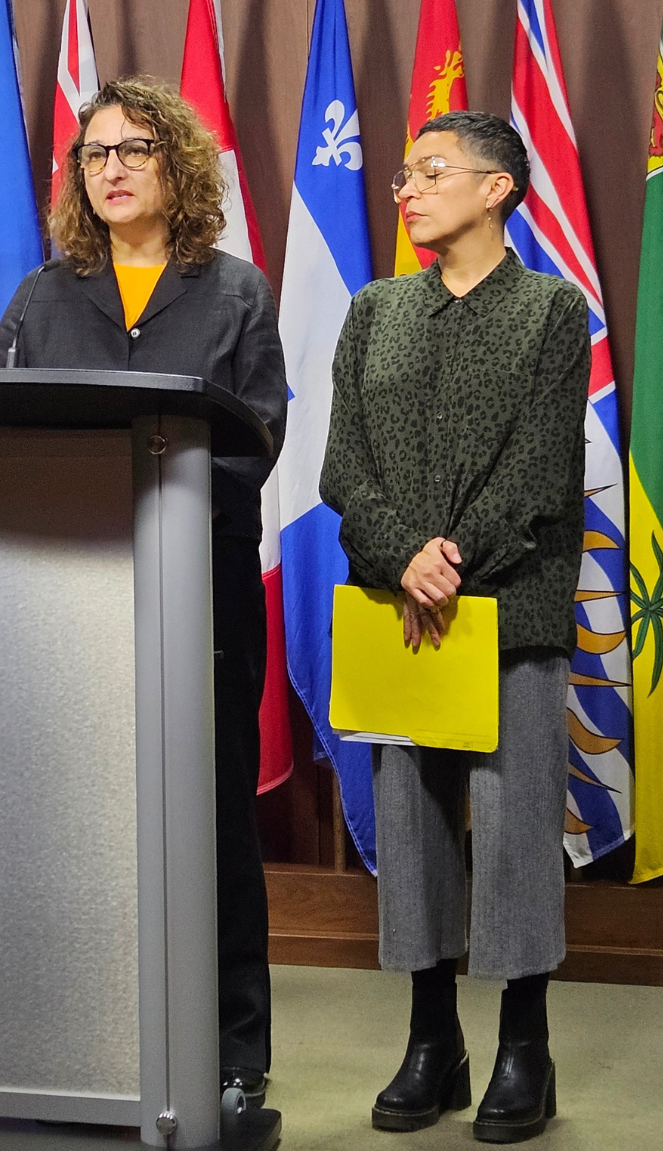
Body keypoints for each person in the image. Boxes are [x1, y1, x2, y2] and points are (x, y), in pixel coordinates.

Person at [0, 78, 287, 1106]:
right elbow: (1, 436)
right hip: (68, 596)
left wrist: (149, 500)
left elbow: (257, 440)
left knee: (213, 820)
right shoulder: (41, 297)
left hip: (198, 594)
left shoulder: (235, 291)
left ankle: (234, 1052)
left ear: (179, 166)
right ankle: (87, 1037)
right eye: (95, 154)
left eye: (135, 150)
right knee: (78, 819)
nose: (111, 169)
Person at [320, 111, 589, 1144]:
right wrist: (404, 557)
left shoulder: (551, 310)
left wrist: (456, 558)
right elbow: (343, 467)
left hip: (508, 606)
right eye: (402, 174)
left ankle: (526, 1044)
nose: (408, 189)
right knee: (414, 825)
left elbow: (542, 470)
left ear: (497, 188)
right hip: (399, 610)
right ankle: (433, 1038)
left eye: (431, 172)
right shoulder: (374, 310)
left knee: (515, 828)